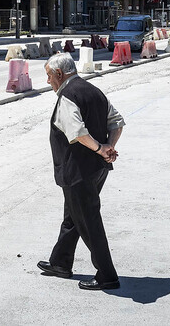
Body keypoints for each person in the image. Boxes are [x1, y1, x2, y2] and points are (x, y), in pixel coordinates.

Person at [38, 53, 125, 291]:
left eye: (49, 76)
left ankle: (107, 275)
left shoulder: (68, 96)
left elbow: (76, 133)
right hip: (97, 169)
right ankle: (60, 263)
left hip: (78, 171)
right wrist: (109, 147)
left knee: (88, 221)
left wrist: (100, 148)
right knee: (73, 216)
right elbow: (117, 122)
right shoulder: (93, 90)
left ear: (59, 74)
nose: (48, 82)